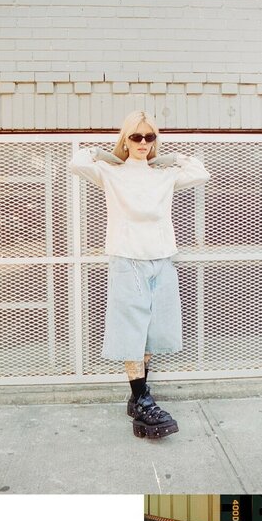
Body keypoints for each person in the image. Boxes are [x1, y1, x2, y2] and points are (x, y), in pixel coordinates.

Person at [69, 111, 210, 439]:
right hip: (128, 258)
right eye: (136, 136)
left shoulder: (164, 173)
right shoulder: (112, 172)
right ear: (126, 139)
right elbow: (77, 163)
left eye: (149, 137)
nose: (143, 143)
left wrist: (173, 158)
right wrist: (102, 154)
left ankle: (138, 398)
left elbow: (201, 172)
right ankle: (142, 399)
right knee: (131, 330)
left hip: (161, 257)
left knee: (150, 331)